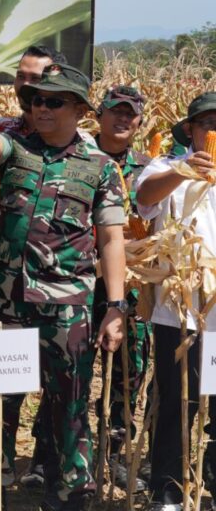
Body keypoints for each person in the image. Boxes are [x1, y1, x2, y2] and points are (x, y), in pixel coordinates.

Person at [0, 64, 127, 511]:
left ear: (79, 110)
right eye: (35, 100)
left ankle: (70, 490)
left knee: (68, 404)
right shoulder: (17, 151)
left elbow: (111, 240)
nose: (41, 108)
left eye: (53, 101)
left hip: (67, 307)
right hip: (7, 303)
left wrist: (114, 307)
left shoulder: (100, 168)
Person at [134, 91, 216, 511]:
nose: (215, 131)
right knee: (175, 401)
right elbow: (145, 199)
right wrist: (183, 171)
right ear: (190, 129)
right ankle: (166, 488)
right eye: (208, 123)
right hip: (178, 311)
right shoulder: (165, 167)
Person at [91, 85, 152, 489]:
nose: (122, 119)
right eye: (115, 110)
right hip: (79, 281)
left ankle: (113, 453)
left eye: (130, 114)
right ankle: (59, 453)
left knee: (131, 372)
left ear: (140, 123)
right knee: (72, 371)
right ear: (98, 114)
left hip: (134, 290)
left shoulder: (151, 170)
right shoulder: (78, 157)